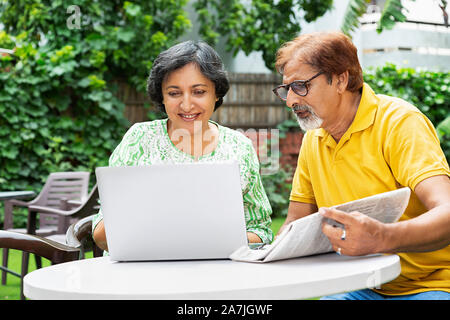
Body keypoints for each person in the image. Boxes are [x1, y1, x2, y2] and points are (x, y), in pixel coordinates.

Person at [273, 31, 450, 300]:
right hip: (363, 285)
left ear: (341, 79)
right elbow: (295, 222)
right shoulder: (314, 138)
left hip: (431, 285)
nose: (291, 100)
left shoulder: (399, 123)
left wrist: (382, 237)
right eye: (286, 89)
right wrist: (269, 253)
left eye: (300, 86)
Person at [93, 40, 273, 252]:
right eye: (174, 93)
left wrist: (212, 241)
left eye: (198, 92)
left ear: (216, 93)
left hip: (217, 275)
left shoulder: (239, 147)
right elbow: (101, 234)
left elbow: (261, 231)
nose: (186, 105)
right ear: (162, 95)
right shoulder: (139, 139)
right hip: (145, 274)